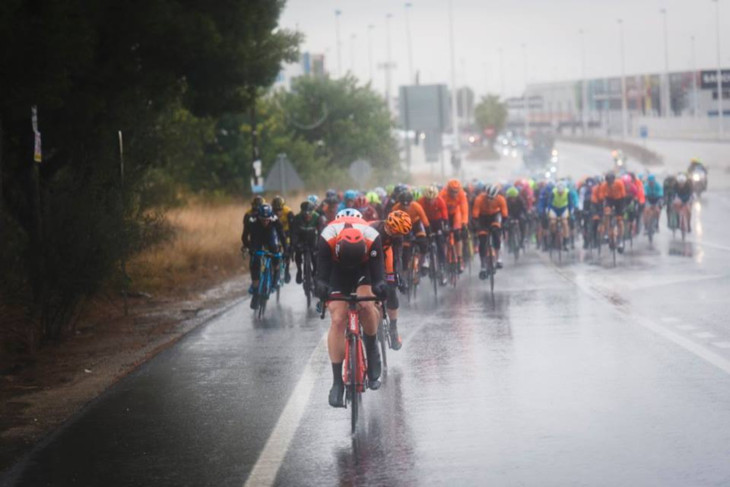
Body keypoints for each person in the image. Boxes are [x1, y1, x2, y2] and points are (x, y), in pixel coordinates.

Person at [316, 209, 387, 407]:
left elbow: (378, 270)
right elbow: (322, 270)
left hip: (363, 268)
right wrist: (321, 285)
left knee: (365, 304)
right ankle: (337, 382)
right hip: (336, 269)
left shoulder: (372, 237)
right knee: (338, 318)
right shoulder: (326, 237)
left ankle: (372, 348)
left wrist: (380, 284)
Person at [371, 210, 412, 349]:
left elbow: (397, 256)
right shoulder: (373, 229)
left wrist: (398, 276)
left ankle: (393, 329)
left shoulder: (397, 236)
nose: (398, 236)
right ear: (389, 226)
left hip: (386, 252)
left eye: (400, 234)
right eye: (396, 233)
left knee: (391, 288)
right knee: (374, 285)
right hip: (369, 253)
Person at [242, 204, 287, 309]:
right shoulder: (252, 220)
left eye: (267, 220)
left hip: (270, 235)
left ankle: (275, 276)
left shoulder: (275, 220)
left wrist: (286, 250)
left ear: (271, 217)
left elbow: (282, 236)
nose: (265, 222)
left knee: (275, 253)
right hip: (257, 235)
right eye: (263, 220)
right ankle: (256, 291)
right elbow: (245, 236)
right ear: (259, 217)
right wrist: (249, 247)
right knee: (255, 260)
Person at [393, 190, 431, 280]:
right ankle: (405, 274)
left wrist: (428, 233)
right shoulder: (395, 208)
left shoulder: (416, 206)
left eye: (408, 204)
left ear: (411, 202)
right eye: (403, 204)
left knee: (423, 243)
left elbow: (424, 220)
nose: (406, 207)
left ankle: (423, 262)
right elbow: (392, 223)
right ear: (400, 203)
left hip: (416, 224)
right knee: (405, 251)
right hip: (404, 226)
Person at [473, 184, 508, 277]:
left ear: (496, 196)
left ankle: (498, 258)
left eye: (492, 198)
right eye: (488, 198)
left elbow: (504, 214)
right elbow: (475, 215)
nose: (490, 200)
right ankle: (483, 265)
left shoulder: (501, 199)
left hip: (495, 216)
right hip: (482, 217)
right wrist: (476, 226)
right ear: (485, 195)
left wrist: (503, 225)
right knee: (482, 240)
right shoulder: (479, 199)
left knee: (496, 234)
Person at [418, 185, 449, 284]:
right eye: (428, 199)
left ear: (436, 197)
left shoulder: (440, 201)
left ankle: (442, 269)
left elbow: (444, 215)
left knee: (440, 243)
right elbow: (417, 216)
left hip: (437, 222)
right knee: (424, 240)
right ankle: (426, 259)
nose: (430, 201)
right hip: (425, 222)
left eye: (432, 199)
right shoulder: (420, 202)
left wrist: (445, 227)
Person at [439, 179, 469, 272]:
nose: (454, 194)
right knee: (442, 235)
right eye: (452, 191)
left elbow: (464, 210)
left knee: (457, 234)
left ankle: (459, 258)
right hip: (445, 214)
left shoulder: (461, 194)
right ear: (448, 189)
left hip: (456, 213)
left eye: (456, 191)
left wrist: (464, 223)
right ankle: (443, 258)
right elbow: (439, 210)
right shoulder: (442, 194)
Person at [594, 172, 626, 252]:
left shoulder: (619, 183)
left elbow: (623, 195)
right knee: (607, 213)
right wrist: (603, 201)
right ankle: (607, 232)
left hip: (619, 200)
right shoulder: (604, 185)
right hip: (610, 199)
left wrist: (622, 208)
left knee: (620, 222)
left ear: (614, 180)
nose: (610, 184)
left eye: (611, 182)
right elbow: (601, 196)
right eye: (608, 182)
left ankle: (620, 240)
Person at [291, 201, 321, 284]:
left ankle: (315, 271)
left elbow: (321, 232)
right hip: (301, 238)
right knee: (298, 252)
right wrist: (294, 244)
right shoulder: (297, 218)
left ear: (313, 212)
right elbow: (294, 233)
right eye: (305, 213)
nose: (307, 215)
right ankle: (299, 270)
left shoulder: (317, 217)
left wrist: (319, 244)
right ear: (301, 212)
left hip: (313, 238)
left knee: (315, 256)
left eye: (309, 213)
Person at [272, 196, 295, 283]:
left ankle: (286, 270)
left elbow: (293, 229)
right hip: (275, 232)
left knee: (287, 248)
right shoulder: (270, 212)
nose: (278, 212)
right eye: (275, 210)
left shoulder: (288, 212)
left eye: (279, 209)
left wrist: (292, 245)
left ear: (283, 207)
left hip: (286, 232)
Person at [548, 181, 572, 251]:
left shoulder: (568, 192)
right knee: (553, 222)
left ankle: (565, 243)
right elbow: (549, 203)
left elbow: (570, 203)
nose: (560, 193)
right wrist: (548, 211)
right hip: (554, 208)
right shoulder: (553, 192)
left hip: (563, 208)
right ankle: (553, 238)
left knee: (565, 223)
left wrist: (570, 213)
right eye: (559, 192)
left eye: (561, 192)